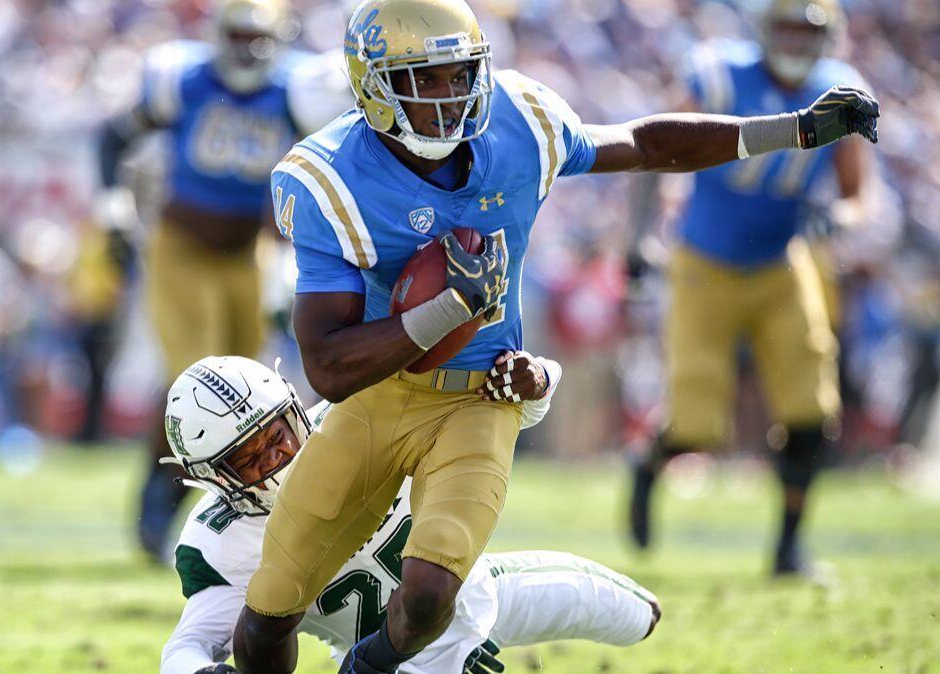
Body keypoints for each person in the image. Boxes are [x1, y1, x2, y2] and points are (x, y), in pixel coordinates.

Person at [232, 0, 879, 671]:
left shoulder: (521, 121)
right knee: (270, 610)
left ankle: (366, 667)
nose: (453, 96)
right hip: (377, 399)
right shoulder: (328, 175)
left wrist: (794, 131)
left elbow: (647, 145)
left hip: (480, 399)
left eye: (462, 74)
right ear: (373, 82)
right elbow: (331, 368)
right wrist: (451, 307)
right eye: (428, 78)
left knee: (428, 595)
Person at [161, 355, 660, 674]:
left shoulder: (354, 425)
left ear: (296, 407)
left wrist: (538, 378)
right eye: (249, 458)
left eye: (278, 433)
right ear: (212, 477)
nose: (279, 458)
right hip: (381, 662)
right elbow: (187, 647)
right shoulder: (221, 541)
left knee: (643, 617)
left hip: (479, 592)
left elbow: (508, 401)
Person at [627, 0, 876, 576]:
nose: (795, 39)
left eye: (807, 29)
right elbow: (653, 151)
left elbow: (860, 196)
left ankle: (788, 549)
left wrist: (840, 217)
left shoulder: (840, 90)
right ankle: (648, 464)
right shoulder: (717, 74)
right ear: (764, 29)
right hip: (702, 263)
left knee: (812, 410)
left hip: (782, 264)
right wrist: (636, 242)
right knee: (696, 424)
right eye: (786, 26)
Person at [94, 0, 329, 560]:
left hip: (251, 253)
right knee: (193, 380)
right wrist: (113, 210)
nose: (247, 49)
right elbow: (111, 138)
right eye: (238, 36)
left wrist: (292, 255)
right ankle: (157, 503)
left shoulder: (297, 89)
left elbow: (320, 172)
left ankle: (222, 523)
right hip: (182, 248)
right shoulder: (185, 79)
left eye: (258, 37)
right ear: (218, 35)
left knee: (249, 397)